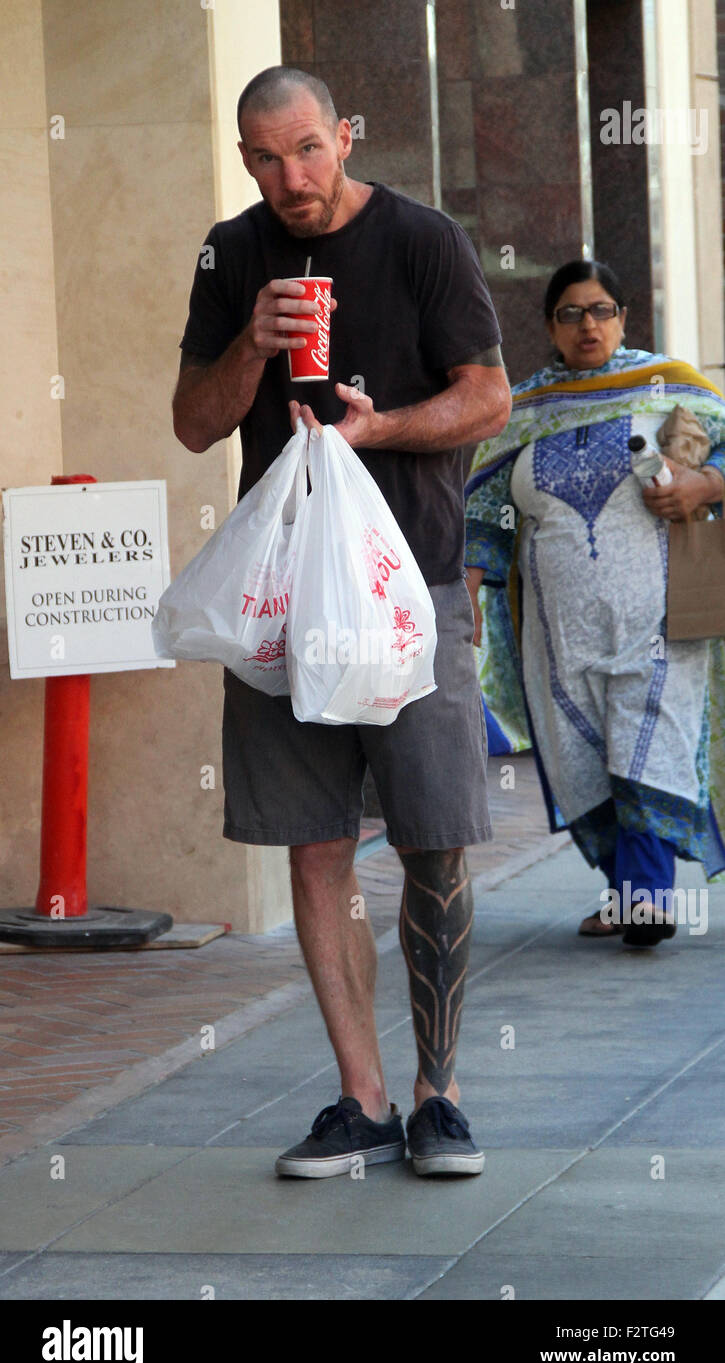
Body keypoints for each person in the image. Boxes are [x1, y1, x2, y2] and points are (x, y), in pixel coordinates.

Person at [172, 66, 511, 1176]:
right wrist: (251, 350)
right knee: (317, 846)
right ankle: (362, 1098)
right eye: (265, 158)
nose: (291, 178)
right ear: (244, 158)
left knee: (433, 838)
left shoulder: (423, 240)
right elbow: (191, 422)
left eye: (308, 149)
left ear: (346, 135)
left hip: (407, 590)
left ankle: (439, 1094)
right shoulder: (232, 253)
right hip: (282, 606)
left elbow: (488, 396)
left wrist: (381, 431)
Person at [464, 260, 725, 947]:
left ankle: (645, 902)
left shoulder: (668, 387)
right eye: (571, 313)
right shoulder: (520, 410)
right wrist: (463, 594)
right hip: (555, 631)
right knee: (582, 759)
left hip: (660, 618)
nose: (588, 325)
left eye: (602, 310)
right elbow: (483, 512)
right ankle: (625, 894)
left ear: (624, 318)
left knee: (648, 748)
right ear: (549, 326)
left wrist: (703, 486)